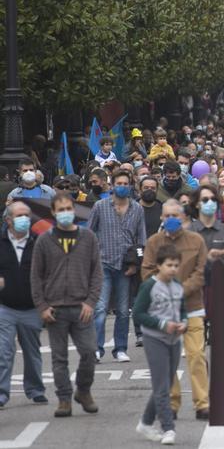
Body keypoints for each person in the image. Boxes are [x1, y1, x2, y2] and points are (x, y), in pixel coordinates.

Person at [31, 193, 103, 418]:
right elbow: (36, 276)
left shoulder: (88, 237)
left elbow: (97, 274)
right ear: (53, 213)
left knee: (89, 352)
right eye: (60, 209)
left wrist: (91, 302)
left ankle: (83, 391)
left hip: (81, 308)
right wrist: (42, 306)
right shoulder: (44, 240)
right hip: (55, 310)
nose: (64, 213)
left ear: (74, 210)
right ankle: (64, 399)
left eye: (68, 208)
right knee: (59, 358)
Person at [142, 199, 210, 420]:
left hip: (192, 307)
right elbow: (147, 271)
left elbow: (201, 272)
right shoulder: (153, 242)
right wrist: (168, 291)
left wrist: (181, 290)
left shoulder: (196, 240)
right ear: (161, 218)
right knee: (169, 360)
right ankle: (172, 404)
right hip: (164, 311)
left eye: (175, 216)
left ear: (183, 218)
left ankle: (202, 403)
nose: (171, 219)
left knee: (196, 355)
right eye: (167, 216)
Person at [88, 168, 145, 364]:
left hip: (125, 266)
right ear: (112, 185)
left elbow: (141, 239)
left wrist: (136, 265)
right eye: (118, 184)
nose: (122, 187)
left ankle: (120, 348)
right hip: (103, 263)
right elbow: (89, 232)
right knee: (101, 308)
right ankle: (96, 349)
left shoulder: (138, 209)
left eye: (125, 184)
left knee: (122, 310)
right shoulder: (100, 206)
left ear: (130, 186)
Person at [132, 244, 187, 446]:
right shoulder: (149, 286)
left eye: (176, 265)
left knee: (164, 383)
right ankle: (168, 428)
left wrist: (184, 323)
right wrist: (163, 324)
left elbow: (182, 310)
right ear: (158, 266)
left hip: (174, 340)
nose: (173, 269)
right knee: (162, 386)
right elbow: (138, 314)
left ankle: (146, 423)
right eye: (169, 265)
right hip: (155, 339)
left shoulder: (178, 285)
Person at [0, 201, 47, 408]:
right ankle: (2, 393)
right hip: (5, 307)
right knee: (4, 351)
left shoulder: (38, 242)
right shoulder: (0, 243)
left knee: (32, 350)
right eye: (19, 216)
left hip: (31, 307)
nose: (24, 220)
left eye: (27, 215)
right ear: (8, 220)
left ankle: (35, 390)